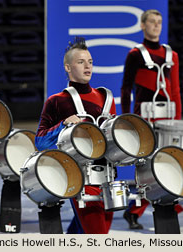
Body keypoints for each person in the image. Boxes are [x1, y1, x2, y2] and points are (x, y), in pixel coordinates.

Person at [35, 37, 116, 234]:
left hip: (108, 177)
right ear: (68, 68)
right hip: (81, 178)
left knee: (88, 233)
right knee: (97, 235)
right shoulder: (57, 101)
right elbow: (40, 141)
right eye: (81, 62)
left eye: (90, 62)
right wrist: (62, 125)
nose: (87, 66)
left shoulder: (106, 97)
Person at [120, 9, 183, 229]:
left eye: (159, 22)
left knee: (168, 163)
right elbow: (126, 88)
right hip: (143, 117)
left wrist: (177, 120)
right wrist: (127, 120)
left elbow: (175, 91)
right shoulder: (135, 54)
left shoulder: (171, 55)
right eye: (152, 22)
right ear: (143, 25)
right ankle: (136, 210)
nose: (156, 26)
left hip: (167, 118)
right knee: (148, 166)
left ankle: (151, 207)